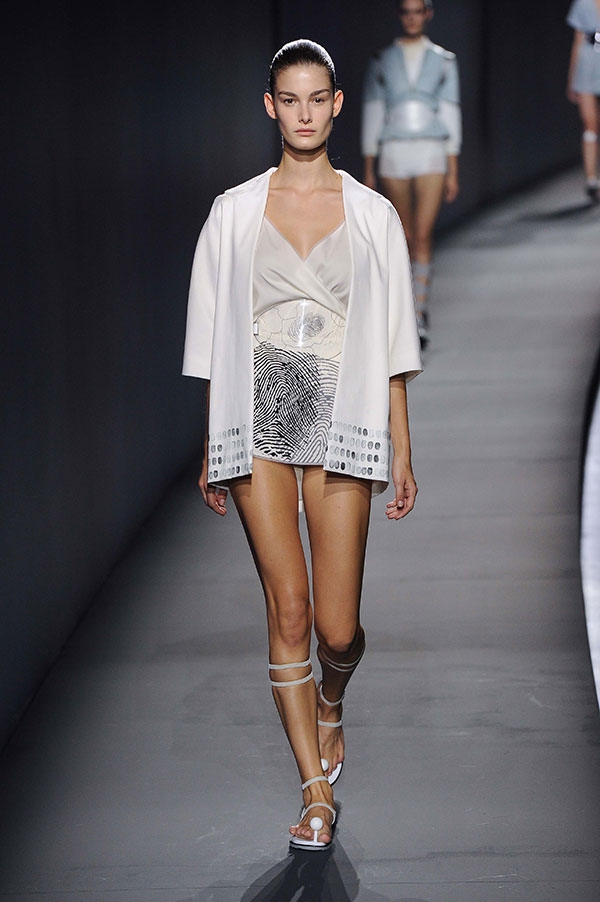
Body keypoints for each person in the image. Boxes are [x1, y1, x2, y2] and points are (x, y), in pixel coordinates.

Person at [182, 39, 422, 852]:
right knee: (288, 609)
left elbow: (392, 342)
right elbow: (214, 336)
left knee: (338, 630)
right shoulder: (233, 212)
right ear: (271, 106)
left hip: (342, 411)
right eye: (291, 99)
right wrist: (212, 441)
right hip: (257, 416)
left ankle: (332, 701)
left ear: (338, 103)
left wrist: (402, 445)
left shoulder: (373, 214)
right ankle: (315, 791)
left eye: (318, 98)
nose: (305, 113)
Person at [362, 0, 461, 347]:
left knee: (422, 234)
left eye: (418, 11)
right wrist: (369, 167)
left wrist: (453, 168)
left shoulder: (444, 61)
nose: (413, 18)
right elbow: (373, 111)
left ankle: (418, 313)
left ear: (428, 14)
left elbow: (450, 112)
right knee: (402, 237)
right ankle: (407, 313)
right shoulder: (382, 60)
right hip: (394, 151)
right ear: (400, 15)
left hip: (432, 150)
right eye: (407, 11)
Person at [566, 0, 600, 202]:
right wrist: (572, 79)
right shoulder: (582, 3)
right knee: (590, 123)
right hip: (587, 63)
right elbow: (578, 40)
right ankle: (591, 179)